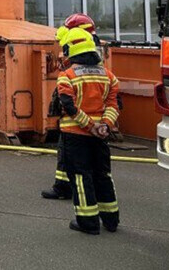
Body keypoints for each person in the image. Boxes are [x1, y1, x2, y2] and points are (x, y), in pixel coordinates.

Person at [55, 27, 121, 234]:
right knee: (103, 174)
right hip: (100, 136)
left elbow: (69, 107)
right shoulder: (109, 76)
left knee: (81, 177)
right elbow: (114, 105)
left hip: (75, 135)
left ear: (70, 51)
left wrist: (89, 126)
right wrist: (105, 126)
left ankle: (88, 222)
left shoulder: (67, 76)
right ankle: (111, 219)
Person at [42, 13, 100, 200]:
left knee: (67, 153)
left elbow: (68, 90)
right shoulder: (95, 52)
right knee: (94, 158)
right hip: (97, 120)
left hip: (76, 119)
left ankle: (64, 188)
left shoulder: (75, 58)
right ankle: (88, 188)